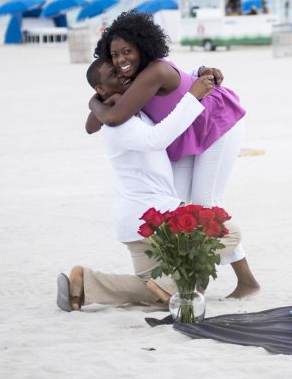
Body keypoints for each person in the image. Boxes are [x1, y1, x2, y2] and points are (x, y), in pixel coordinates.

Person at [59, 59, 258, 311]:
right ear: (100, 89)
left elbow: (167, 84)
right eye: (113, 73)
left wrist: (197, 73)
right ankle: (170, 286)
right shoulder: (120, 122)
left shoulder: (125, 111)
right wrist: (193, 97)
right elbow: (158, 138)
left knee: (149, 287)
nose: (122, 73)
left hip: (132, 223)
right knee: (229, 233)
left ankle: (86, 284)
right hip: (151, 217)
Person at [88, 11, 253, 289]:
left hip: (218, 123)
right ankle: (186, 280)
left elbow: (112, 118)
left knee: (205, 201)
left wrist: (96, 100)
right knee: (175, 203)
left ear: (143, 46)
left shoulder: (152, 72)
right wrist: (98, 98)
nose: (121, 60)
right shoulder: (132, 77)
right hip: (189, 129)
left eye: (127, 51)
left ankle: (243, 282)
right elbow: (92, 125)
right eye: (115, 55)